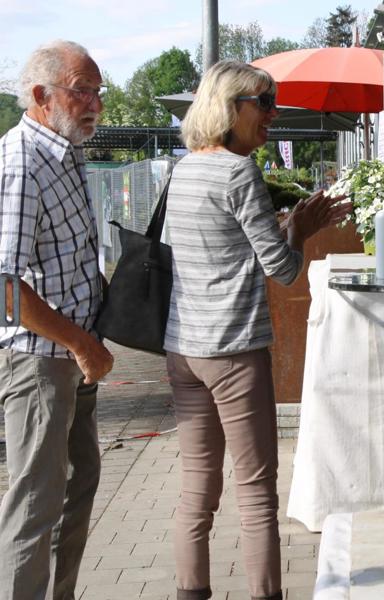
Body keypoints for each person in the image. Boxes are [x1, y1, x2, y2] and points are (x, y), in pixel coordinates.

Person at [164, 60, 349, 600]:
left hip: (183, 349)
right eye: (263, 104)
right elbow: (283, 269)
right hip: (235, 351)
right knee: (256, 492)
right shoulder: (237, 172)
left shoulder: (183, 169)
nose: (272, 115)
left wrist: (284, 227)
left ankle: (189, 593)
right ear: (231, 107)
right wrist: (303, 228)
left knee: (196, 490)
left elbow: (220, 249)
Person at [0, 40, 113, 600]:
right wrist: (81, 344)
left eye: (97, 90)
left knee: (77, 488)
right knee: (35, 505)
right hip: (39, 361)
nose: (94, 102)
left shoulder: (65, 153)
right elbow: (4, 285)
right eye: (82, 90)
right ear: (42, 96)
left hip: (72, 354)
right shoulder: (22, 162)